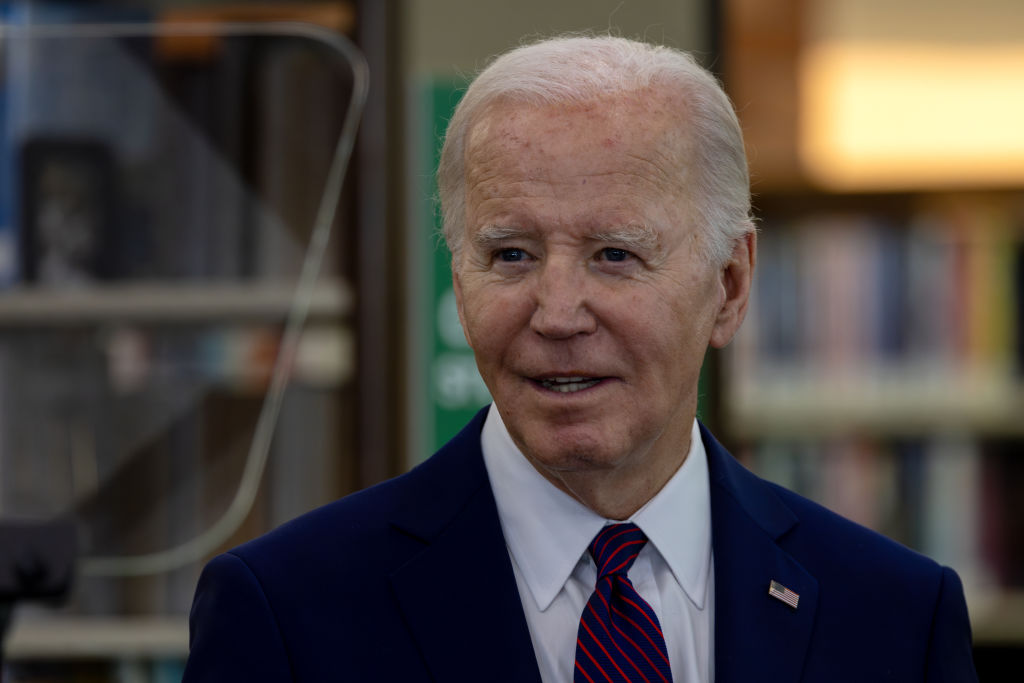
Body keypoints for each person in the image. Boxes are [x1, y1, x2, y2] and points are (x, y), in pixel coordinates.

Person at [182, 36, 978, 682]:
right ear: (459, 284)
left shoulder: (896, 617)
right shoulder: (287, 613)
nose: (557, 314)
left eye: (615, 255)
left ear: (730, 287)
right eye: (513, 254)